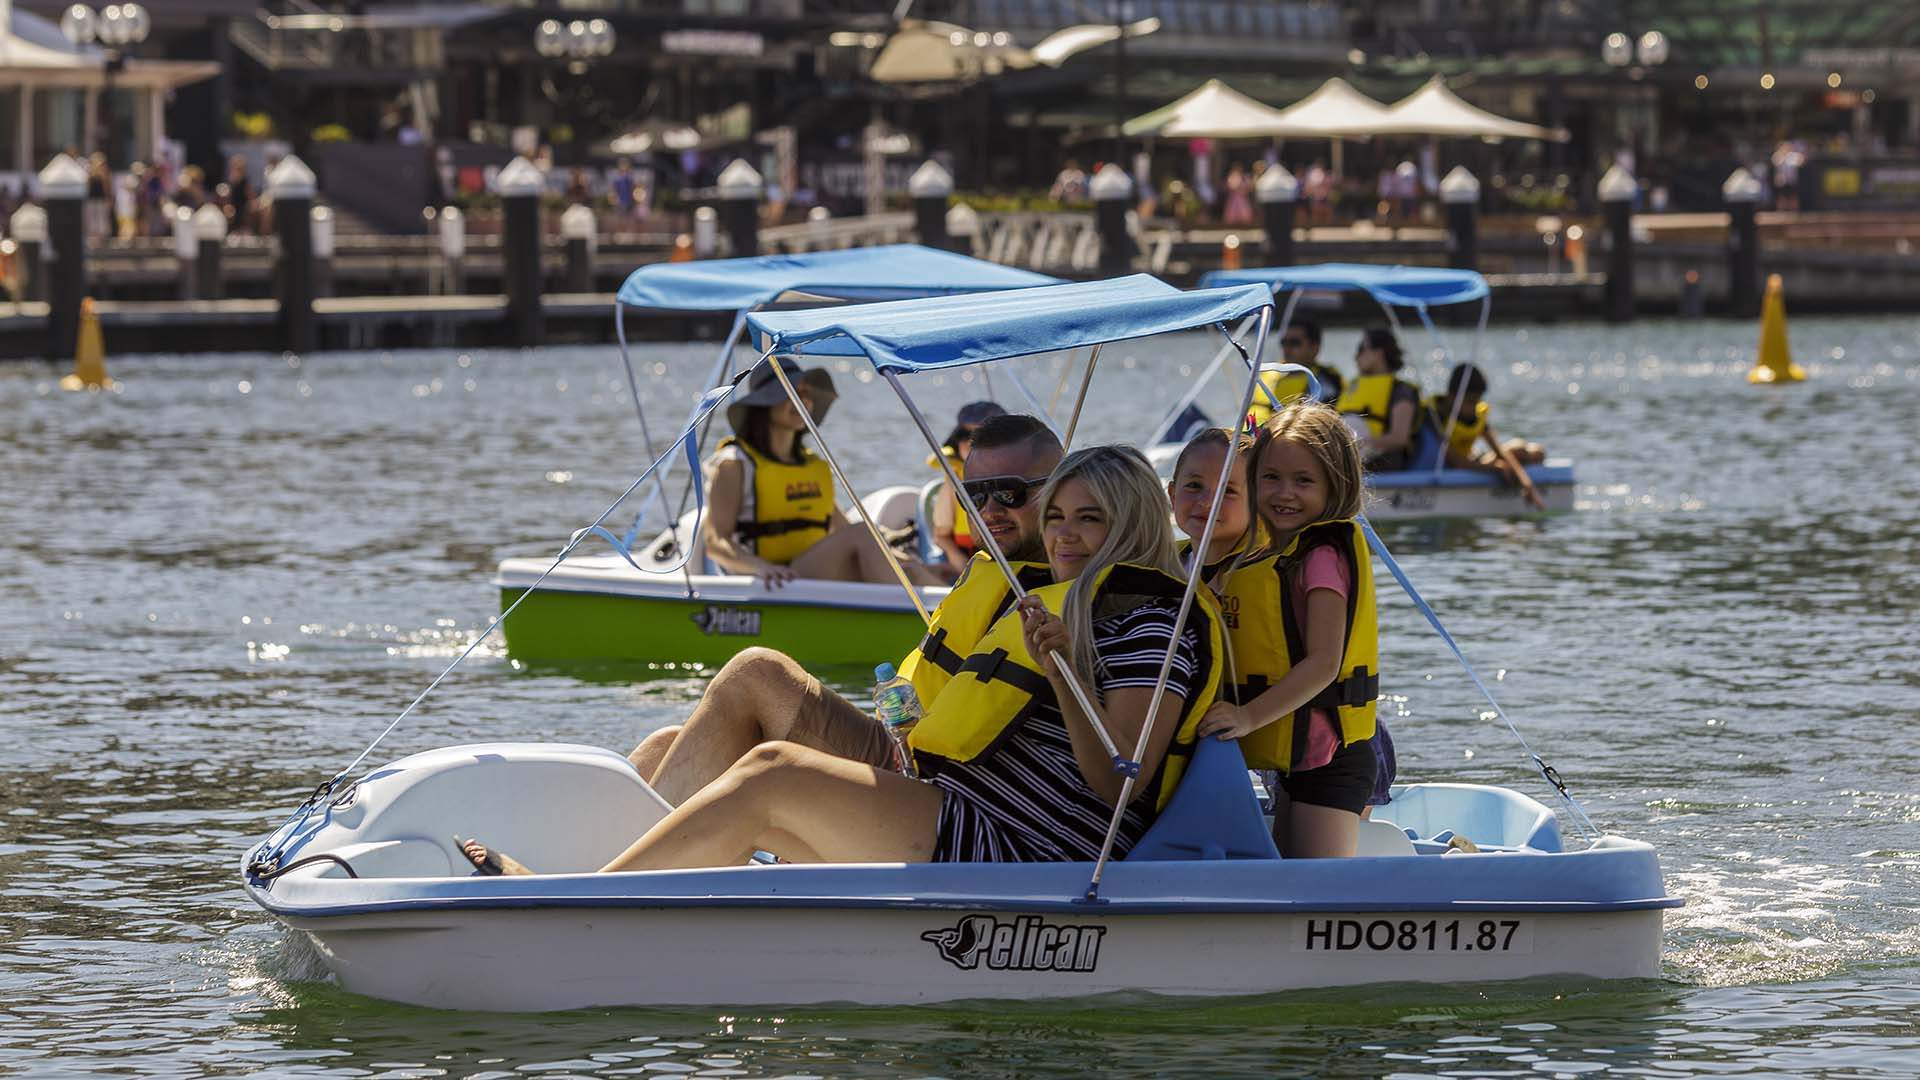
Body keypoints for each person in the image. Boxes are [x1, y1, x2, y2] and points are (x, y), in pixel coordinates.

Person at [461, 444, 1222, 873]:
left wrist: (1065, 673)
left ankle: (582, 900)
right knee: (687, 747)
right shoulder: (1058, 601)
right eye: (1056, 517)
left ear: (1132, 525)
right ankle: (588, 879)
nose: (1063, 536)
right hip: (957, 802)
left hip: (1030, 851)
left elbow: (1121, 779)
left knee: (772, 772)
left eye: (1090, 520)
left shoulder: (1150, 623)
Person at [631, 414, 1063, 806]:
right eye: (974, 495)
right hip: (900, 738)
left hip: (922, 777)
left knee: (757, 672)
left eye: (1010, 493)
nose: (989, 511)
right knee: (665, 745)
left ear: (1059, 491)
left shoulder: (1063, 589)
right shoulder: (992, 569)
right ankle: (597, 864)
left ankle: (618, 883)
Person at [1195, 403, 1384, 857]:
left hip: (1335, 759)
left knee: (1316, 885)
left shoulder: (1322, 558)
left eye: (1304, 481)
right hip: (1293, 754)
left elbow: (1324, 664)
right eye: (1271, 478)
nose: (1285, 493)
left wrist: (1246, 718)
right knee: (1282, 868)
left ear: (1334, 485)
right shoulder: (1260, 555)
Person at [703, 358, 944, 590]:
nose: (804, 400)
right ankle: (907, 623)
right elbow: (715, 542)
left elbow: (841, 527)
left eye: (806, 393)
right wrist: (761, 568)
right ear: (765, 402)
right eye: (792, 392)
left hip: (808, 572)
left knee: (907, 565)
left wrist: (897, 554)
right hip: (772, 578)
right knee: (863, 536)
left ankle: (959, 619)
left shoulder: (811, 464)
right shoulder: (734, 463)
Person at [1422, 364, 1546, 509]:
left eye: (1477, 401)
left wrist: (1527, 485)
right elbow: (1456, 462)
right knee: (1510, 461)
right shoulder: (1435, 415)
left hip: (1471, 461)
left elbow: (1500, 452)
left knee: (1531, 452)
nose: (1474, 407)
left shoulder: (1476, 414)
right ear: (1452, 397)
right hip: (1448, 468)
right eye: (1470, 401)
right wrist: (1497, 468)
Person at [1168, 427, 1263, 585]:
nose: (1206, 502)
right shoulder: (1162, 568)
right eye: (1194, 485)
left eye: (1227, 490)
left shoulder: (1275, 572)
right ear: (1173, 495)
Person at [928, 400, 1007, 567]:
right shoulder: (954, 480)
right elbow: (941, 535)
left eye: (983, 437)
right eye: (964, 436)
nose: (971, 443)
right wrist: (956, 558)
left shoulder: (1022, 477)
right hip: (967, 561)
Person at [1334, 328, 1420, 470]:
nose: (1356, 356)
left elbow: (1399, 437)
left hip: (1378, 463)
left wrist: (1357, 444)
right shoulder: (1351, 387)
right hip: (1343, 457)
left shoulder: (1400, 390)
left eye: (1362, 349)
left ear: (1379, 353)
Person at [1248, 317, 1343, 426]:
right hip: (1254, 432)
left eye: (1294, 343)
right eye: (1284, 343)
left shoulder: (1328, 379)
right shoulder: (1268, 374)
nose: (1287, 349)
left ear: (1315, 347)